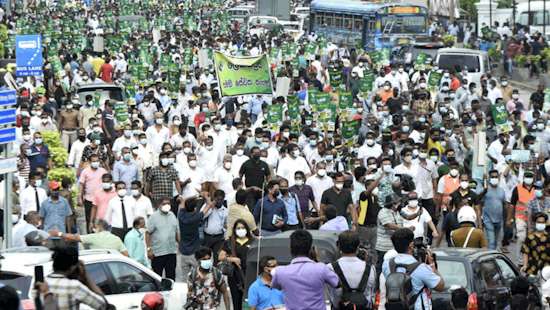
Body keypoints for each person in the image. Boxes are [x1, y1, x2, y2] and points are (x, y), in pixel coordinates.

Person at [272, 230, 339, 310]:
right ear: (311, 249)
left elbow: (276, 286)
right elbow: (337, 284)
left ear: (290, 249)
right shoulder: (321, 268)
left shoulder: (280, 272)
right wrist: (317, 260)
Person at [382, 228, 445, 310]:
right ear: (411, 245)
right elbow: (440, 286)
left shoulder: (387, 264)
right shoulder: (421, 268)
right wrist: (432, 265)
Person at [327, 231, 376, 309]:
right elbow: (370, 294)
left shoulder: (330, 268)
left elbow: (333, 295)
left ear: (338, 246)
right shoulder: (370, 268)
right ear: (358, 247)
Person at [218, 219, 255, 310]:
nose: (241, 230)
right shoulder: (230, 242)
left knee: (249, 302)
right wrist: (232, 259)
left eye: (243, 228)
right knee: (236, 301)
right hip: (235, 276)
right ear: (234, 230)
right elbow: (220, 256)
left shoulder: (253, 241)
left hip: (250, 275)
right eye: (238, 228)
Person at [178, 196, 211, 281]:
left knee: (185, 278)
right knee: (199, 275)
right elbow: (209, 205)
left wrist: (192, 196)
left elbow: (183, 202)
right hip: (194, 252)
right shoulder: (196, 217)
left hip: (183, 252)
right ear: (195, 208)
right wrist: (205, 196)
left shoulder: (181, 215)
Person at [52, 219, 128, 255]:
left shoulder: (94, 237)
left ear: (99, 227)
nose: (93, 229)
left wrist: (59, 233)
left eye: (95, 227)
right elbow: (126, 254)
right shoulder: (116, 239)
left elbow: (74, 237)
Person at [147, 198, 180, 281]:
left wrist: (180, 244)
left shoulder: (172, 215)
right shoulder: (153, 217)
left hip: (171, 252)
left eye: (168, 203)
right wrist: (149, 249)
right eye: (164, 204)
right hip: (158, 253)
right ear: (159, 205)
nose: (167, 206)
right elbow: (147, 233)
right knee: (157, 277)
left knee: (171, 277)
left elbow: (176, 230)